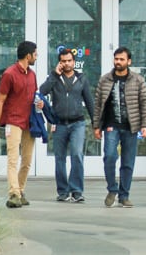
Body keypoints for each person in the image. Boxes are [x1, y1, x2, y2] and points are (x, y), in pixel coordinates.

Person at [93, 46, 146, 208]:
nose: (118, 62)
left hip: (131, 127)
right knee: (110, 156)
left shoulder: (138, 80)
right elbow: (98, 105)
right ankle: (112, 188)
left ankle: (124, 196)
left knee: (128, 162)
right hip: (111, 125)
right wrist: (96, 126)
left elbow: (145, 103)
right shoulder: (105, 80)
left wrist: (145, 125)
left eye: (121, 59)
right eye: (116, 59)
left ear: (129, 61)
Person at [39, 47, 94, 203]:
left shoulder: (82, 78)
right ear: (60, 62)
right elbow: (42, 91)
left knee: (77, 154)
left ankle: (76, 190)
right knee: (60, 158)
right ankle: (63, 191)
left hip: (78, 123)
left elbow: (90, 102)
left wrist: (96, 123)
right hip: (59, 123)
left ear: (74, 62)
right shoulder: (54, 78)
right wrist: (54, 74)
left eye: (69, 61)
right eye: (63, 61)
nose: (67, 63)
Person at [0, 40, 40, 209]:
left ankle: (20, 191)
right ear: (28, 55)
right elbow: (0, 101)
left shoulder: (32, 75)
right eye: (35, 54)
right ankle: (13, 194)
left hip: (29, 122)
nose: (36, 56)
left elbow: (35, 97)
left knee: (27, 161)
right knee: (13, 159)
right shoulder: (9, 74)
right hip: (13, 121)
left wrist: (40, 105)